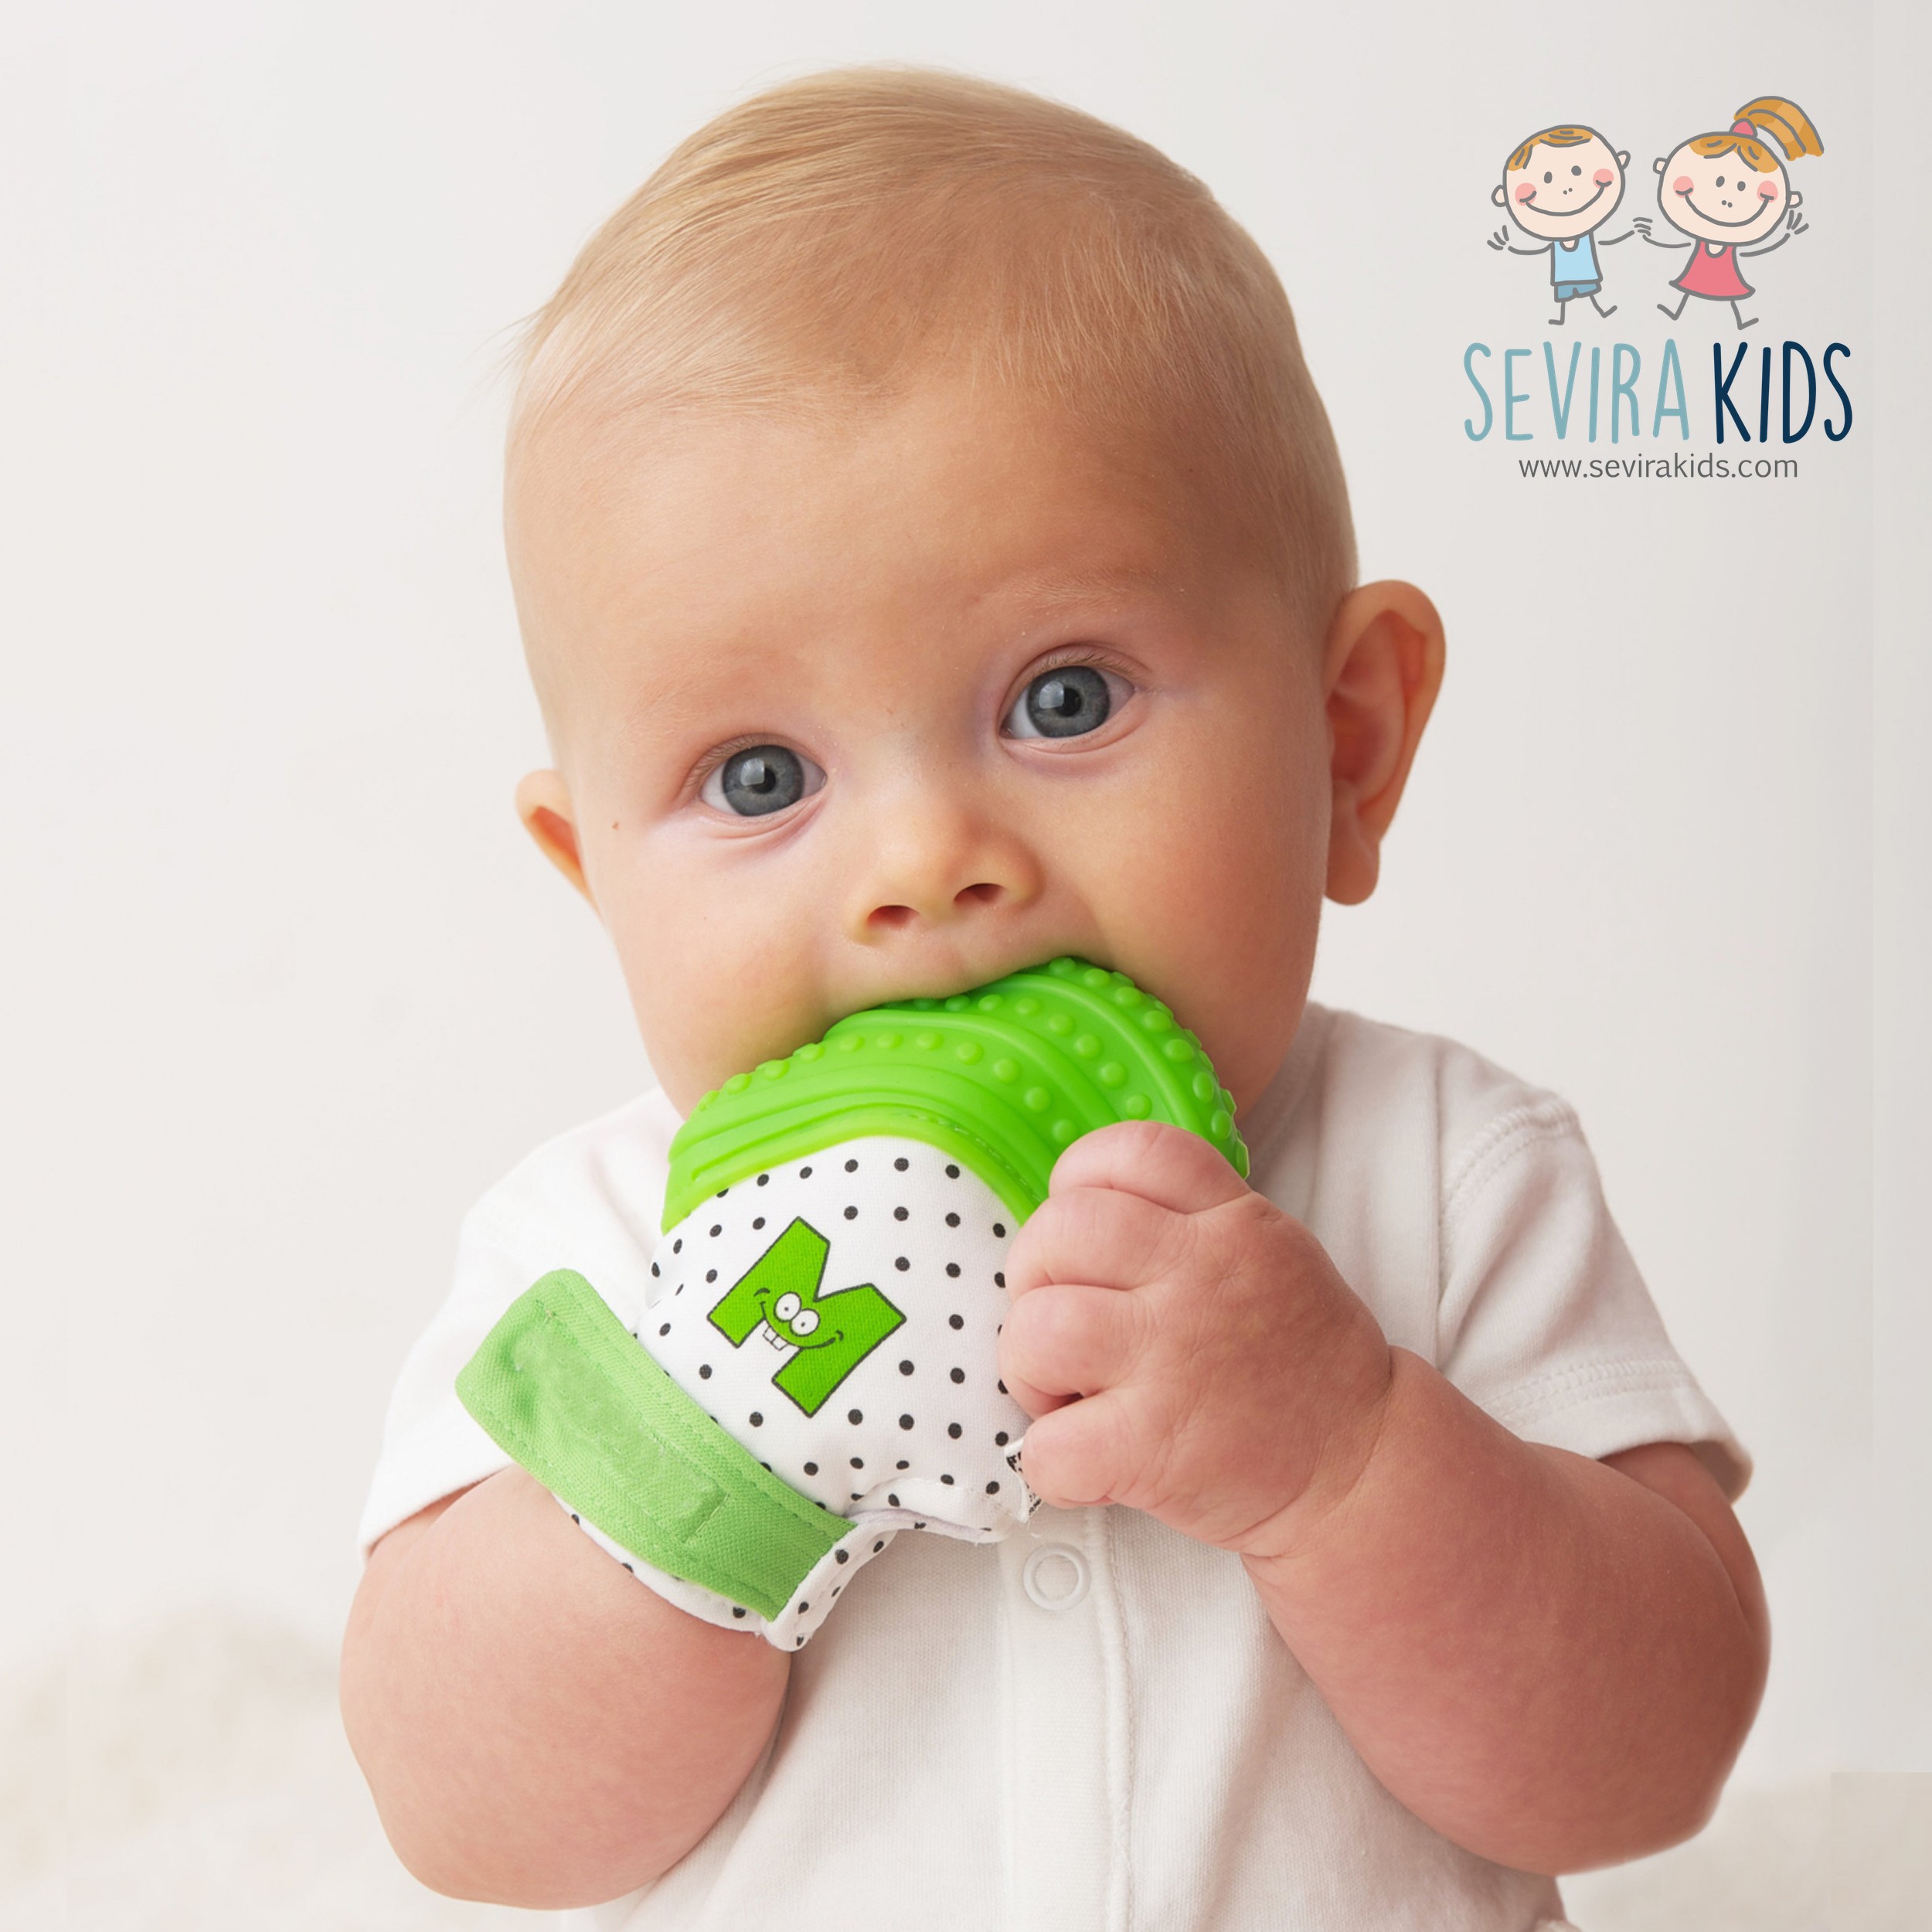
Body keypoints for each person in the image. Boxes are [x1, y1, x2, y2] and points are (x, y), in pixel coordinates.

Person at [338, 69, 1767, 1930]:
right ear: (594, 874)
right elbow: (468, 1814)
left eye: (1063, 699)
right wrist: (698, 1450)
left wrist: (1347, 1457)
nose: (923, 858)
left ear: (1345, 745)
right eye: (761, 777)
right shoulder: (600, 1251)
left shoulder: (1445, 1169)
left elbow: (1646, 1757)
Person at [1634, 94, 1822, 330]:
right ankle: (1677, 311)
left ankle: (1741, 320)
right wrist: (1652, 238)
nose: (1727, 199)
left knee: (1732, 296)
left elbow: (1752, 252)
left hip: (1725, 276)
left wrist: (1786, 236)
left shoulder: (1732, 244)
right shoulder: (1703, 238)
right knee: (1690, 289)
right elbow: (1680, 244)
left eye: (1742, 187)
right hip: (1699, 273)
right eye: (1718, 182)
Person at [1487, 123, 1634, 325]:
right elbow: (1539, 249)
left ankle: (1601, 310)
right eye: (1547, 178)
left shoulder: (1585, 235)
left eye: (1577, 171)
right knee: (1564, 299)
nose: (1566, 189)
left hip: (1586, 273)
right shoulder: (1557, 239)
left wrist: (1630, 231)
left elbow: (1606, 241)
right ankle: (1561, 318)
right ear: (1505, 196)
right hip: (1563, 277)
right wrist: (1511, 247)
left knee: (1591, 293)